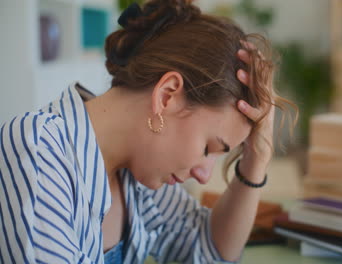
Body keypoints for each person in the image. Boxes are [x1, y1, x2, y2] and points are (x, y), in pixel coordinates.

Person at [0, 0, 296, 263]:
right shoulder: (37, 150)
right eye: (208, 148)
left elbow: (207, 251)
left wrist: (257, 158)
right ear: (167, 95)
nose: (204, 175)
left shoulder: (137, 176)